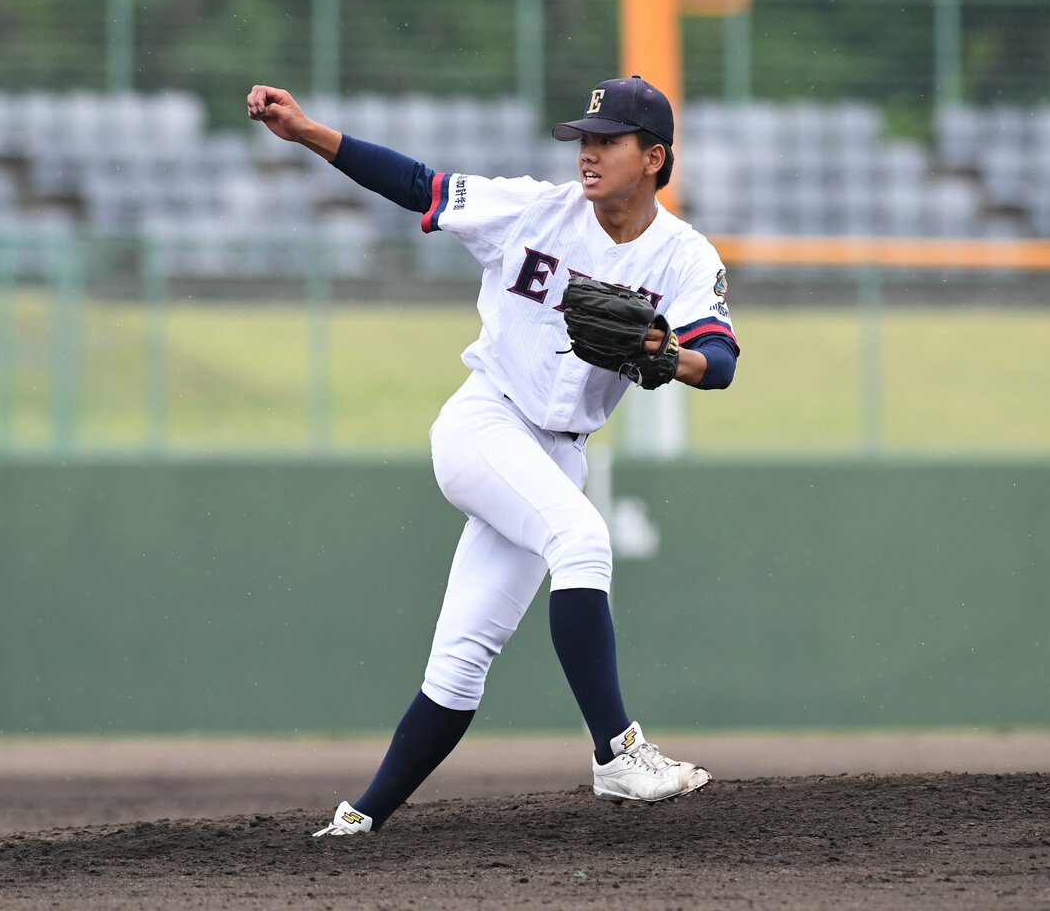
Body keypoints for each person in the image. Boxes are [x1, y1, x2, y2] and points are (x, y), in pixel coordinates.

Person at [246, 76, 739, 836]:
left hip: (558, 455)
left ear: (654, 158)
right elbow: (419, 185)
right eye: (584, 139)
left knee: (462, 661)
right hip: (485, 424)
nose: (589, 152)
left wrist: (665, 354)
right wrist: (310, 132)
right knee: (580, 540)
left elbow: (720, 359)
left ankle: (359, 818)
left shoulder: (681, 255)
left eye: (607, 141)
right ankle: (617, 753)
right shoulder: (534, 209)